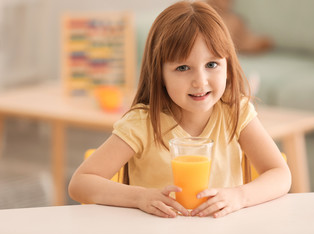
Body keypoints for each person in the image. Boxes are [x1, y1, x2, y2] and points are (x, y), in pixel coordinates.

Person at [68, 1, 291, 218]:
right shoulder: (142, 123)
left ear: (229, 68)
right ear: (160, 74)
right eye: (183, 68)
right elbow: (80, 183)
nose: (200, 81)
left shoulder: (236, 113)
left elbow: (280, 174)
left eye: (211, 65)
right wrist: (140, 197)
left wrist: (239, 196)